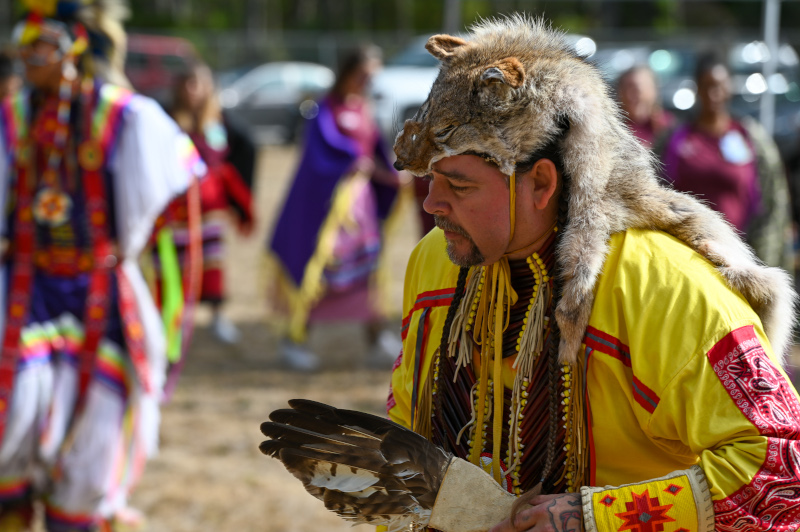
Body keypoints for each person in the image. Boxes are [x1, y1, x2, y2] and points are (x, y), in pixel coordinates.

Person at [388, 16, 799, 532]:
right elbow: (408, 421)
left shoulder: (664, 287)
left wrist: (594, 519)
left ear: (540, 183)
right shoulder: (434, 261)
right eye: (429, 180)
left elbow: (782, 467)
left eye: (459, 185)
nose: (431, 203)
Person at [0, 2, 204, 530]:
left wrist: (149, 269)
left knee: (97, 434)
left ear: (73, 48)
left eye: (39, 43)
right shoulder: (13, 116)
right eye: (22, 42)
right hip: (27, 289)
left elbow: (178, 197)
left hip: (103, 295)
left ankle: (83, 512)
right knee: (12, 416)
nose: (26, 56)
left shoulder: (123, 116)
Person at [268, 45, 402, 371]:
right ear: (348, 71)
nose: (367, 80)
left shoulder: (365, 108)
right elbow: (321, 149)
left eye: (372, 75)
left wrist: (391, 176)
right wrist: (353, 161)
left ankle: (376, 338)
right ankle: (295, 339)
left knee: (368, 266)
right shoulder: (323, 108)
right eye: (363, 73)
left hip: (362, 207)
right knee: (320, 269)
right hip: (330, 206)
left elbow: (375, 152)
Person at [661, 54, 793, 271]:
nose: (714, 93)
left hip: (742, 258)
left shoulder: (750, 137)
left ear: (730, 87)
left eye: (720, 86)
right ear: (697, 89)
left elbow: (773, 202)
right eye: (707, 86)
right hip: (687, 257)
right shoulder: (674, 139)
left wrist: (766, 261)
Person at [167, 61, 255, 345]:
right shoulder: (169, 121)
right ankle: (177, 318)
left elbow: (244, 150)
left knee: (212, 261)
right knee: (178, 264)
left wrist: (236, 199)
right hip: (178, 209)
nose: (193, 90)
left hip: (211, 209)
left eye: (198, 83)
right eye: (187, 83)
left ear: (208, 88)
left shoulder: (218, 121)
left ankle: (217, 316)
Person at [615, 65, 674, 147]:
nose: (630, 96)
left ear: (654, 90)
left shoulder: (670, 126)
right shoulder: (614, 128)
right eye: (625, 89)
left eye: (636, 90)